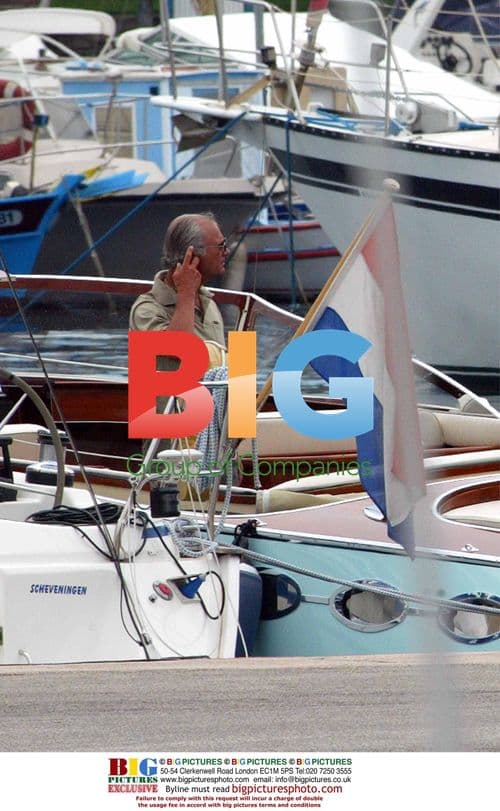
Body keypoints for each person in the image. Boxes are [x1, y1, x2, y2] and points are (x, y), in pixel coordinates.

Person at [129, 212, 228, 365]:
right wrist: (186, 293)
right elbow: (179, 351)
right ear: (192, 254)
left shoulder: (208, 302)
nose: (226, 252)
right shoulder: (146, 311)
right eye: (221, 246)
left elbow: (222, 369)